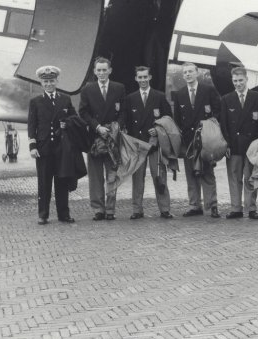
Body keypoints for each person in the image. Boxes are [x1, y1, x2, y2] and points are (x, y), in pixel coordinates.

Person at [28, 65, 76, 225]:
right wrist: (32, 146)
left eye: (52, 81)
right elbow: (32, 125)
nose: (49, 84)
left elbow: (74, 118)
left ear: (57, 81)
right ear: (41, 83)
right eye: (45, 81)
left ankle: (64, 214)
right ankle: (43, 214)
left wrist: (67, 124)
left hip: (61, 148)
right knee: (44, 183)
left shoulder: (65, 99)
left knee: (62, 181)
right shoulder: (36, 102)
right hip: (44, 148)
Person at [79, 57, 126, 221]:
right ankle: (98, 209)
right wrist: (97, 127)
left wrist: (115, 128)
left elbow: (124, 112)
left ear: (110, 70)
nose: (101, 73)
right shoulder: (87, 89)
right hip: (94, 139)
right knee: (95, 177)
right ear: (94, 71)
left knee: (112, 175)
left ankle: (110, 209)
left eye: (104, 70)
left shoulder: (119, 88)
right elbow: (83, 112)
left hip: (112, 139)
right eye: (98, 70)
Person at [173, 62, 222, 218]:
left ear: (197, 73)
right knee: (191, 174)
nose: (187, 74)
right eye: (185, 72)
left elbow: (218, 111)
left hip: (205, 140)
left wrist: (210, 127)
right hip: (189, 141)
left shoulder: (208, 90)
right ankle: (194, 205)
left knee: (207, 173)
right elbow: (177, 119)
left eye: (190, 71)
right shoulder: (179, 94)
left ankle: (212, 206)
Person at [125, 66, 174, 219]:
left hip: (155, 145)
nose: (143, 80)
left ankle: (165, 209)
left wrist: (158, 129)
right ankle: (137, 210)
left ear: (150, 77)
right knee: (137, 179)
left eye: (145, 77)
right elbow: (127, 122)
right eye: (140, 77)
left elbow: (168, 119)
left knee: (159, 176)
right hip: (138, 145)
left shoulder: (159, 96)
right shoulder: (130, 98)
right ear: (136, 79)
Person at [220, 67, 258, 220]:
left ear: (247, 79)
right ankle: (236, 208)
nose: (238, 83)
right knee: (234, 178)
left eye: (241, 80)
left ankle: (251, 208)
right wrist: (226, 145)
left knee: (251, 177)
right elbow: (224, 125)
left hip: (252, 146)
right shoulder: (226, 99)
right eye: (235, 81)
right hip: (234, 146)